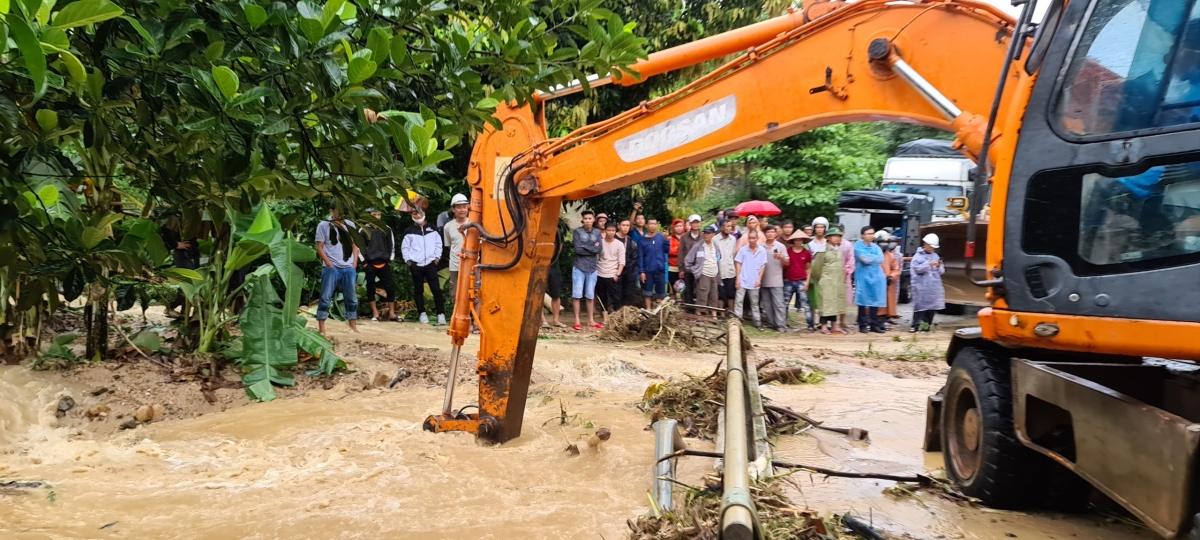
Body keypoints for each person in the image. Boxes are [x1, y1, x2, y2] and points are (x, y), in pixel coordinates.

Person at [315, 204, 360, 335]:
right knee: (325, 297)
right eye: (338, 210)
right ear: (331, 211)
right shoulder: (324, 225)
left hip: (349, 266)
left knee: (351, 298)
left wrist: (354, 262)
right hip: (332, 267)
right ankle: (322, 328)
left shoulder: (350, 224)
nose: (340, 213)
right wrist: (329, 264)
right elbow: (319, 246)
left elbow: (355, 244)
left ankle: (353, 327)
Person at [401, 209, 445, 325]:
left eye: (419, 213)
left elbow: (438, 244)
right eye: (415, 213)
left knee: (436, 289)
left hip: (431, 263)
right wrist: (409, 261)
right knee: (418, 290)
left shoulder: (433, 228)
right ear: (412, 215)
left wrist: (436, 259)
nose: (418, 215)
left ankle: (441, 314)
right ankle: (422, 314)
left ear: (424, 214)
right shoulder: (409, 231)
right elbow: (405, 248)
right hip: (416, 264)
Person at [809, 228, 846, 335]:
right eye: (834, 236)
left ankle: (835, 326)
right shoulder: (822, 252)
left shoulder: (839, 251)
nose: (837, 238)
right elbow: (817, 269)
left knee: (835, 304)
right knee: (825, 304)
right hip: (826, 282)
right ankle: (824, 326)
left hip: (837, 282)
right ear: (828, 238)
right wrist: (821, 279)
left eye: (839, 236)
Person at [362, 208, 397, 322]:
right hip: (370, 263)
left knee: (390, 287)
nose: (377, 217)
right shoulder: (363, 229)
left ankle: (392, 313)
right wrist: (364, 262)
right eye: (374, 214)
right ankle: (375, 313)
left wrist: (389, 260)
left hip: (384, 262)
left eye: (378, 214)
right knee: (370, 287)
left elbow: (391, 245)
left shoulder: (386, 228)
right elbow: (359, 246)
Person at [572, 210, 603, 330]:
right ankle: (577, 321)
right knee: (577, 294)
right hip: (579, 267)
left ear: (594, 219)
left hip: (592, 268)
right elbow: (578, 250)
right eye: (585, 219)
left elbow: (599, 249)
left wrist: (586, 246)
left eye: (590, 218)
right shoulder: (577, 231)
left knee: (590, 295)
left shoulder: (597, 232)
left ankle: (591, 320)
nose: (587, 221)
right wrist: (592, 247)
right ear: (583, 220)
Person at [854, 226, 887, 334]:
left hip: (877, 277)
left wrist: (871, 258)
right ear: (863, 235)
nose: (871, 235)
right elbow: (864, 260)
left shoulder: (876, 247)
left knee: (875, 302)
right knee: (863, 302)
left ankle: (874, 324)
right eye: (868, 233)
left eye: (872, 233)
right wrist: (874, 258)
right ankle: (862, 325)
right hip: (863, 277)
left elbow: (881, 259)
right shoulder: (858, 246)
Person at [911, 233, 946, 333]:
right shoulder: (917, 257)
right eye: (931, 247)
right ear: (925, 244)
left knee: (931, 307)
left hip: (933, 286)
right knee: (920, 307)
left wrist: (939, 267)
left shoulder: (936, 256)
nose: (932, 249)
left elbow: (941, 271)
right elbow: (917, 269)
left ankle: (927, 326)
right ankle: (916, 326)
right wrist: (928, 264)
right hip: (921, 286)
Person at [684, 224, 721, 318]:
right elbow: (687, 261)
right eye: (704, 233)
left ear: (713, 234)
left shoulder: (715, 246)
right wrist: (695, 270)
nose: (706, 235)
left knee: (714, 295)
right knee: (702, 295)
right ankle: (699, 316)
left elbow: (719, 258)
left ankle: (714, 316)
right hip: (703, 274)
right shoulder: (698, 246)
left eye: (708, 233)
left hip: (714, 274)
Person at [733, 230, 768, 330]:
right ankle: (737, 322)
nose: (751, 240)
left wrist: (759, 279)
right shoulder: (743, 250)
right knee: (739, 301)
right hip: (743, 279)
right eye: (750, 238)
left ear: (757, 239)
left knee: (754, 303)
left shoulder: (762, 250)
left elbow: (763, 265)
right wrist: (738, 278)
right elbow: (738, 263)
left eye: (753, 238)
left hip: (754, 280)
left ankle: (757, 322)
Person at [758, 225, 790, 332]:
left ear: (776, 234)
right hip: (763, 280)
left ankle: (781, 325)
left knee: (779, 304)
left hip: (776, 280)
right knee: (767, 304)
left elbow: (787, 263)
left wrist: (780, 257)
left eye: (772, 232)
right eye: (768, 232)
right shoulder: (761, 247)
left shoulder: (780, 246)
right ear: (765, 234)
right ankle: (771, 323)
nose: (770, 234)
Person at [783, 230, 814, 331]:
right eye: (796, 240)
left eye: (800, 240)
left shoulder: (807, 253)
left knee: (805, 304)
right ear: (793, 241)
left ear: (803, 241)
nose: (798, 242)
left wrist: (807, 282)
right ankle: (783, 323)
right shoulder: (788, 251)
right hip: (789, 280)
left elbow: (808, 268)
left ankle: (810, 324)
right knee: (785, 303)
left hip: (801, 280)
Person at [595, 222, 626, 324]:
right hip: (600, 273)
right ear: (605, 230)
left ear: (615, 231)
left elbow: (622, 261)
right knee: (602, 298)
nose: (611, 232)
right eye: (609, 230)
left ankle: (618, 321)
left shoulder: (619, 244)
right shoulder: (600, 243)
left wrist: (617, 274)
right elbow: (596, 258)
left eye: (613, 230)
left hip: (612, 274)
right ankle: (605, 320)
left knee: (616, 298)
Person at [638, 218, 670, 308]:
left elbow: (666, 250)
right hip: (648, 270)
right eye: (650, 224)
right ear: (647, 226)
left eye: (655, 224)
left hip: (660, 269)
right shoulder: (642, 241)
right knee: (647, 292)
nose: (653, 226)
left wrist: (667, 240)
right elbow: (640, 257)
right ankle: (648, 309)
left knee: (660, 293)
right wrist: (641, 271)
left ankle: (657, 311)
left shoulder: (660, 237)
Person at [444, 193, 469, 301]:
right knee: (455, 293)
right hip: (455, 265)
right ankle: (457, 317)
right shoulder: (448, 227)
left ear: (468, 207)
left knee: (475, 292)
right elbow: (449, 246)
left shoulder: (475, 223)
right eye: (459, 207)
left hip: (472, 264)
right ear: (453, 209)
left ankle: (474, 317)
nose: (462, 209)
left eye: (464, 206)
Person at [542, 225, 566, 328]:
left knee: (556, 294)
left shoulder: (558, 231)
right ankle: (543, 321)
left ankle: (556, 320)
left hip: (553, 265)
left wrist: (552, 258)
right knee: (537, 295)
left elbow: (559, 247)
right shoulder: (539, 229)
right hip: (540, 264)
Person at [876, 230, 902, 323]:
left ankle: (882, 321)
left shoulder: (891, 256)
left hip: (888, 283)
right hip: (875, 283)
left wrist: (891, 277)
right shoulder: (873, 254)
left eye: (886, 242)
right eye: (882, 242)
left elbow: (896, 269)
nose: (884, 244)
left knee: (887, 303)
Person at [714, 219, 739, 312]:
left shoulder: (733, 239)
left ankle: (731, 312)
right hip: (719, 270)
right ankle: (721, 313)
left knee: (731, 293)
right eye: (727, 226)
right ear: (721, 228)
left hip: (730, 270)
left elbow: (733, 255)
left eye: (731, 226)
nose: (730, 228)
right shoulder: (715, 239)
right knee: (721, 293)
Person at [679, 214, 703, 307]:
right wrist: (681, 268)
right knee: (688, 290)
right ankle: (689, 309)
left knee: (700, 289)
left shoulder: (703, 236)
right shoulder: (684, 237)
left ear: (700, 223)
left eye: (697, 222)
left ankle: (699, 308)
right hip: (687, 268)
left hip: (700, 268)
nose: (696, 224)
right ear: (690, 223)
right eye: (694, 222)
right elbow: (681, 253)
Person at [616, 218, 640, 309]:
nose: (625, 227)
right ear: (619, 226)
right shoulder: (612, 238)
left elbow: (634, 257)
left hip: (627, 270)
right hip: (613, 269)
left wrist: (629, 268)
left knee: (625, 292)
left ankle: (622, 312)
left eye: (627, 226)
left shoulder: (630, 240)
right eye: (623, 225)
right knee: (614, 293)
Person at [667, 218, 685, 299]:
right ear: (673, 227)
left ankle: (684, 307)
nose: (679, 228)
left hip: (685, 267)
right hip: (672, 267)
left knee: (684, 288)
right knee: (672, 289)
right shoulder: (670, 239)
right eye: (677, 226)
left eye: (681, 226)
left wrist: (677, 249)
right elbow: (669, 251)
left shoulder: (686, 238)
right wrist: (680, 249)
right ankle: (672, 307)